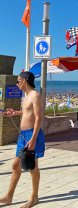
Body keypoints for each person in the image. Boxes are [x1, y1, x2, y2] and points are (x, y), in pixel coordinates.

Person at [0, 71, 45, 208]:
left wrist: (33, 138)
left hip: (32, 135)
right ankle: (9, 197)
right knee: (15, 165)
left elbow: (39, 118)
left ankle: (34, 197)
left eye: (18, 80)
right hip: (23, 136)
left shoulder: (35, 96)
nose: (17, 83)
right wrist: (15, 113)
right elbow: (27, 112)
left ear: (24, 81)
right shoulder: (26, 96)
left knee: (33, 167)